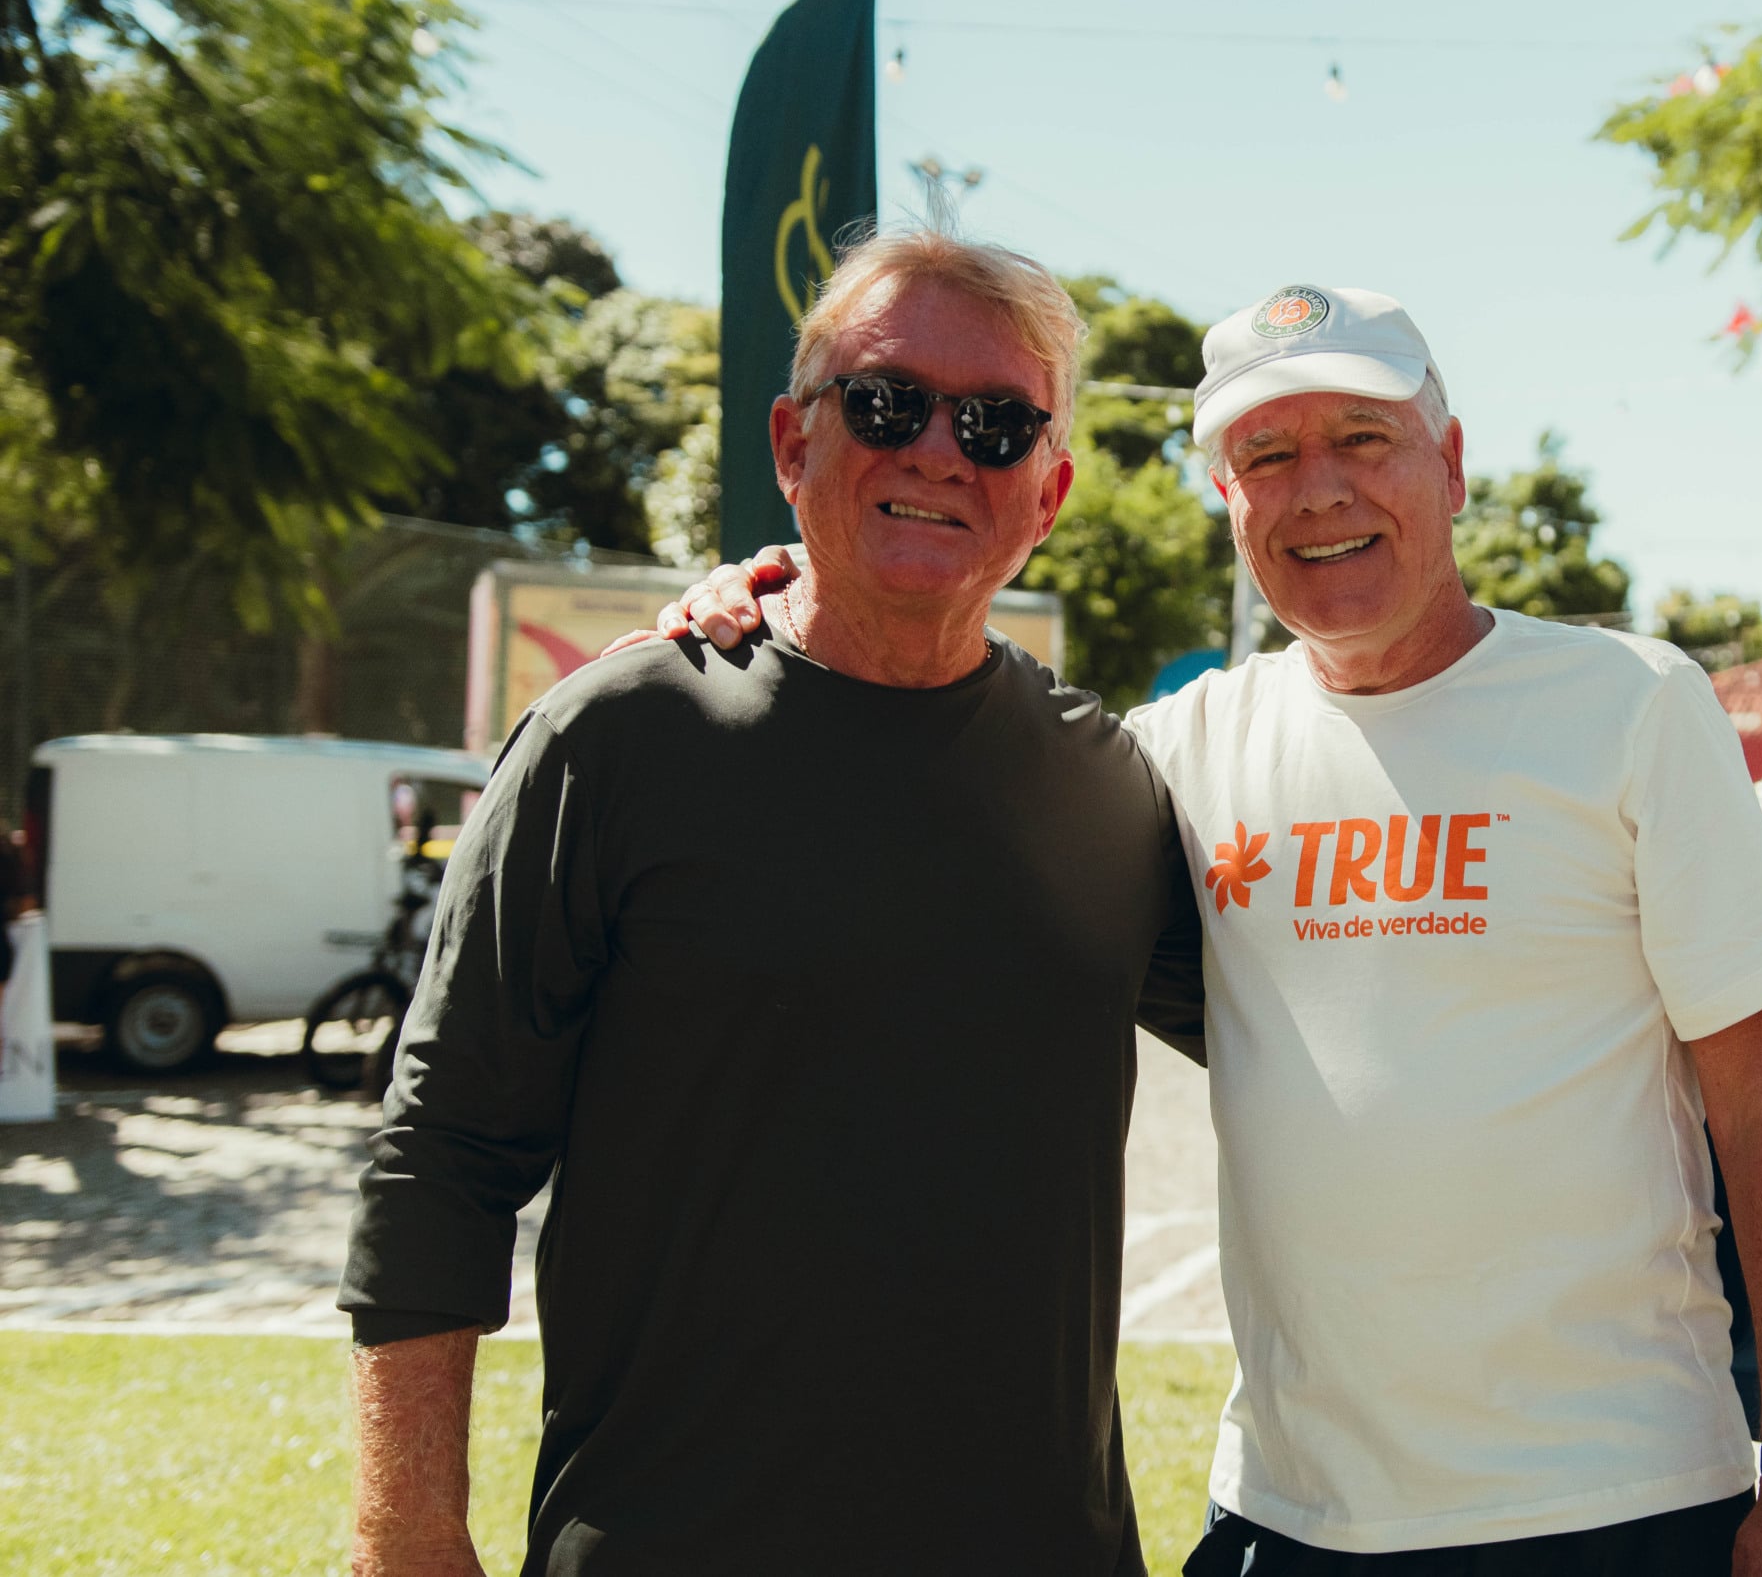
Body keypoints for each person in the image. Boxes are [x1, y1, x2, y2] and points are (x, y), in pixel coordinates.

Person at [665, 283, 1762, 1575]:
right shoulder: (1173, 753)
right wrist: (783, 602)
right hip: (1290, 1519)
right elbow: (928, 775)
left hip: (1616, 1503)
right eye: (1268, 455)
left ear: (1451, 465)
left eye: (1362, 437)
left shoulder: (1629, 704)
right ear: (1229, 498)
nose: (1319, 490)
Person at [337, 230, 1204, 1576]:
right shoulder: (616, 738)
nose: (938, 451)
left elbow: (1337, 1026)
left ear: (1048, 493)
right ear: (795, 443)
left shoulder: (1115, 786)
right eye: (887, 403)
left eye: (995, 423)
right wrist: (404, 1540)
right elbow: (443, 1152)